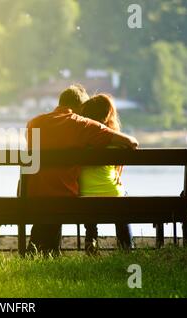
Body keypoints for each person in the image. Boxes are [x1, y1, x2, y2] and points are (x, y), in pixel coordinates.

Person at [25, 84, 138, 255]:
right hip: (63, 196)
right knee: (61, 190)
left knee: (53, 191)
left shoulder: (33, 123)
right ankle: (126, 250)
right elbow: (130, 142)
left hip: (33, 195)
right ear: (79, 107)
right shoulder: (82, 125)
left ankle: (42, 251)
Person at [79, 94, 133, 254]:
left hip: (84, 196)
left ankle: (91, 244)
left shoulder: (80, 143)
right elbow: (132, 145)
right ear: (108, 115)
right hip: (112, 195)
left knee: (90, 201)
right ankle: (126, 249)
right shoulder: (116, 144)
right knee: (123, 202)